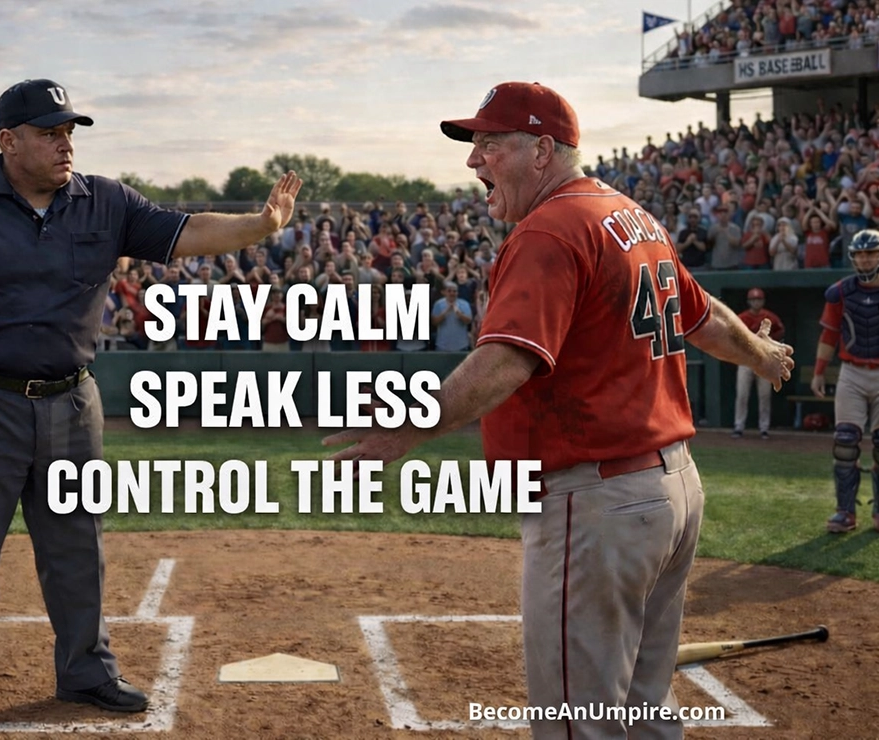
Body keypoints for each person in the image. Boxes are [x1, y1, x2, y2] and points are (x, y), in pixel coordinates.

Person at [324, 81, 793, 740]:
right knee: (643, 715)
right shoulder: (628, 214)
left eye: (490, 144)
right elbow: (706, 315)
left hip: (598, 503)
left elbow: (508, 359)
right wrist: (760, 356)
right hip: (669, 493)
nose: (473, 160)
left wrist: (401, 429)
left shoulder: (550, 228)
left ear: (542, 149)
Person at [0, 78, 302, 733]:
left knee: (78, 546)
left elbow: (186, 231)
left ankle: (86, 670)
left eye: (69, 131)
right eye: (49, 132)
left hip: (73, 402)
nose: (64, 143)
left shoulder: (104, 201)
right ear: (8, 141)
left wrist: (261, 224)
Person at [811, 229, 879, 534]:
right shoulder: (840, 292)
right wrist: (819, 371)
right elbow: (829, 334)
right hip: (851, 371)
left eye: (871, 253)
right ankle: (845, 512)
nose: (865, 259)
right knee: (845, 443)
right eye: (860, 254)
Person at [732, 288, 786, 439]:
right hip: (746, 360)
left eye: (759, 299)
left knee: (764, 395)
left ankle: (764, 428)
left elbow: (780, 332)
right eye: (753, 299)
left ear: (762, 301)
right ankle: (738, 426)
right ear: (749, 301)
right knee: (742, 394)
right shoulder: (742, 317)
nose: (756, 302)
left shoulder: (770, 317)